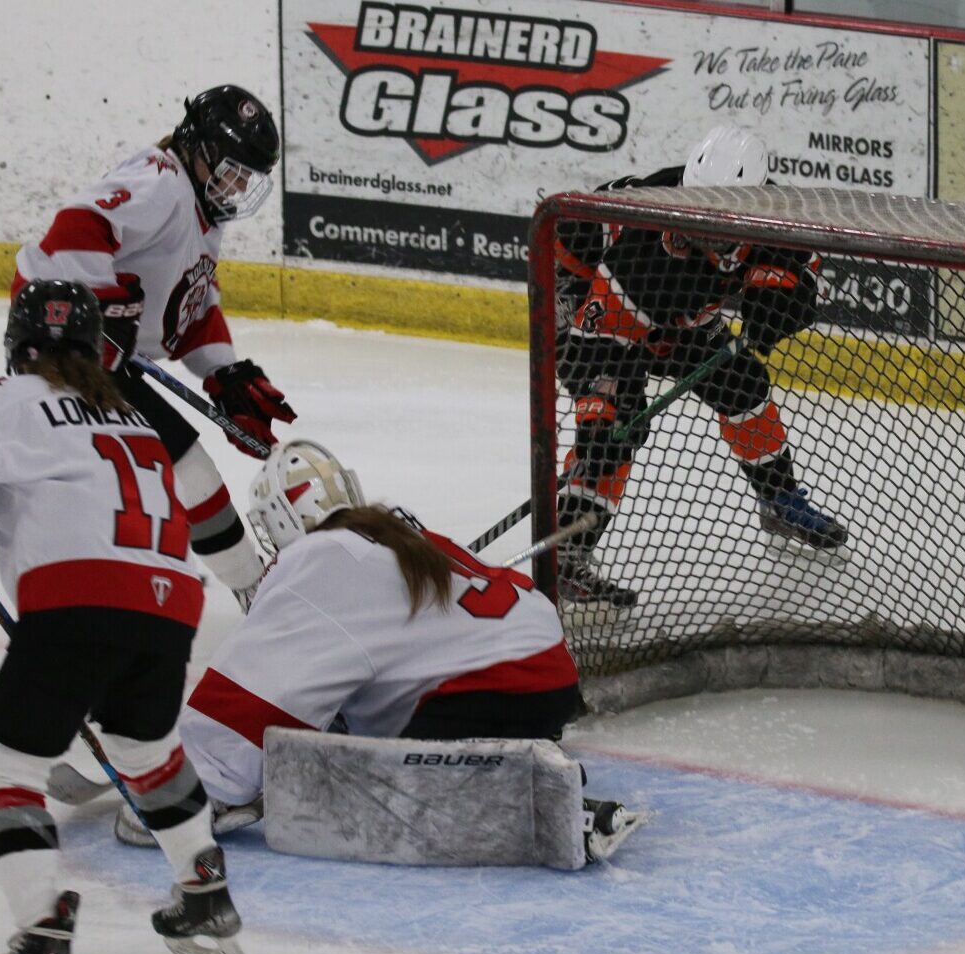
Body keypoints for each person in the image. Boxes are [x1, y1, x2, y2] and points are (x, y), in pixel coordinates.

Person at [0, 282, 245, 954]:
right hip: (172, 606)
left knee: (3, 767)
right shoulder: (132, 418)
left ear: (20, 343)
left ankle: (39, 942)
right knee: (145, 748)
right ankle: (203, 896)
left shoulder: (11, 398)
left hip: (81, 600)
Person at [113, 438, 637, 860]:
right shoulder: (398, 532)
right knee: (353, 732)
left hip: (483, 690)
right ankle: (518, 761)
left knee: (352, 783)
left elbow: (254, 697)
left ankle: (541, 801)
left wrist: (187, 787)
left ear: (277, 520)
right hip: (548, 673)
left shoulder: (323, 559)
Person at [13, 84, 295, 609]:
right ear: (197, 147)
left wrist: (226, 375)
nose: (237, 186)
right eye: (230, 169)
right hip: (58, 347)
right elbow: (76, 228)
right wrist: (98, 308)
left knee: (167, 472)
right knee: (183, 470)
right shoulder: (162, 181)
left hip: (106, 359)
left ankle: (246, 588)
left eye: (246, 177)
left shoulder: (203, 212)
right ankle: (257, 594)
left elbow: (192, 310)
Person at [550, 124, 847, 608]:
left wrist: (781, 299)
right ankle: (565, 553)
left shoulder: (778, 216)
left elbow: (800, 269)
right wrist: (595, 418)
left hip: (672, 300)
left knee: (740, 381)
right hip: (579, 283)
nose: (692, 233)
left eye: (709, 224)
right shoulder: (647, 249)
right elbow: (598, 346)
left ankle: (780, 499)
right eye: (690, 217)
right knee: (617, 422)